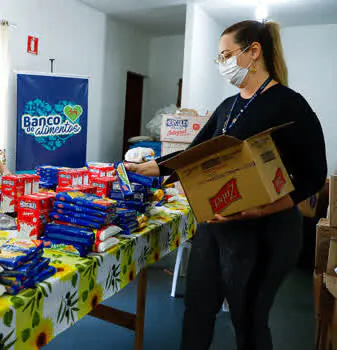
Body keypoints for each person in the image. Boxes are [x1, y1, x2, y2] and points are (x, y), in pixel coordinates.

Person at [128, 20, 327, 349]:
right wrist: (143, 167)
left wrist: (260, 208)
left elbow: (314, 177)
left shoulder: (290, 104)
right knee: (197, 310)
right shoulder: (228, 107)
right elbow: (191, 155)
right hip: (217, 226)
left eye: (226, 55)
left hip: (268, 232)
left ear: (253, 52)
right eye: (218, 58)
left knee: (247, 320)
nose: (221, 64)